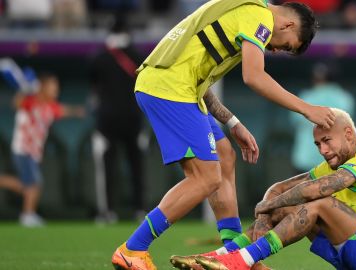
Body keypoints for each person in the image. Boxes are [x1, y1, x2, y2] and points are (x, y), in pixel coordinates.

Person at [111, 0, 335, 269]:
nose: (276, 50)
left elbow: (198, 75)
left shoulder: (243, 13)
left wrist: (233, 122)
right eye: (286, 45)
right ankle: (133, 249)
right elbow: (254, 76)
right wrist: (306, 109)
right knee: (206, 177)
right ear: (288, 24)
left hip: (180, 87)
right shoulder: (260, 17)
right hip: (170, 88)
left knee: (225, 155)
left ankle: (231, 256)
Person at [191, 108, 356, 270]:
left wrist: (265, 206)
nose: (323, 150)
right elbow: (278, 188)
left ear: (348, 134)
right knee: (288, 209)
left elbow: (315, 190)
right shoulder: (332, 164)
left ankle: (241, 262)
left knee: (320, 204)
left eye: (327, 140)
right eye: (318, 144)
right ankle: (222, 256)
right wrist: (264, 217)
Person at [0, 72, 84, 227]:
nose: (56, 90)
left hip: (34, 152)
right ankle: (27, 215)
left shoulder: (50, 107)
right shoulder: (31, 101)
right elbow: (17, 103)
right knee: (34, 183)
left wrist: (77, 111)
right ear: (42, 87)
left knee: (27, 186)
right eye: (53, 86)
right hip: (23, 149)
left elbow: (62, 110)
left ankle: (28, 214)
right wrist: (26, 89)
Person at [90, 14, 146, 224]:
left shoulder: (99, 57)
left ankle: (107, 211)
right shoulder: (138, 55)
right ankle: (139, 209)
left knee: (106, 168)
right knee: (137, 167)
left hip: (107, 120)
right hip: (134, 118)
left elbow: (93, 86)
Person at [290, 62, 355, 173]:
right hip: (336, 159)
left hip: (306, 160)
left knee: (303, 190)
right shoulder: (345, 98)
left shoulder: (307, 96)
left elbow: (294, 121)